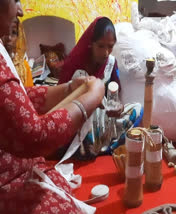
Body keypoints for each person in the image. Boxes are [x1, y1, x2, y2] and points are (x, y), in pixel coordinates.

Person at [0, 0, 105, 213]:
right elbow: (36, 136)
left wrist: (68, 90)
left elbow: (17, 98)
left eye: (109, 47)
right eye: (15, 0)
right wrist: (91, 98)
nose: (20, 10)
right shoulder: (77, 61)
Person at [59, 17, 143, 156]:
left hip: (102, 121)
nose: (106, 53)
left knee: (137, 109)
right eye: (101, 46)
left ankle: (100, 146)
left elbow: (114, 95)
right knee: (88, 91)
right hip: (80, 121)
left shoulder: (110, 63)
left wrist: (118, 107)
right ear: (91, 43)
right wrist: (93, 101)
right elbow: (62, 101)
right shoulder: (75, 64)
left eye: (110, 46)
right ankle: (87, 144)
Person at [2, 17, 34, 87]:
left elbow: (29, 94)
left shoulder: (24, 66)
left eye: (13, 32)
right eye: (3, 31)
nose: (9, 38)